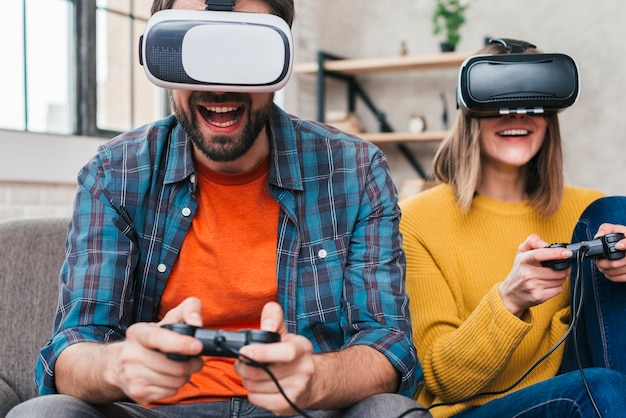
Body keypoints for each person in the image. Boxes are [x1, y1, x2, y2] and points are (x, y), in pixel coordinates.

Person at [8, 1, 429, 417]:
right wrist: (119, 366)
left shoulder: (354, 169)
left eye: (245, 52)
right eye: (195, 51)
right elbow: (70, 352)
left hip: (303, 408)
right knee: (45, 412)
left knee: (390, 410)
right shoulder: (114, 173)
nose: (220, 87)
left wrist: (316, 377)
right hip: (152, 410)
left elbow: (387, 343)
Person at [399, 38, 626, 418]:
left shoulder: (585, 209)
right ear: (470, 111)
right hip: (477, 408)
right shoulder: (416, 220)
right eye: (500, 102)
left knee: (615, 209)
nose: (517, 115)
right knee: (602, 389)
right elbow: (442, 380)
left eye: (531, 101)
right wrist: (510, 299)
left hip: (597, 387)